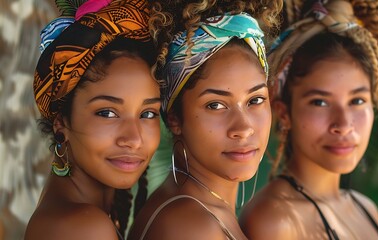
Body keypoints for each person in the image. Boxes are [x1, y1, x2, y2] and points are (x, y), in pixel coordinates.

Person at [239, 0, 378, 239]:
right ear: (284, 112)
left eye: (357, 101)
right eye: (320, 102)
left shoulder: (366, 208)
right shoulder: (276, 221)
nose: (343, 125)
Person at [127, 1, 282, 239]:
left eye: (255, 100)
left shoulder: (199, 210)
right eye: (216, 105)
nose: (244, 128)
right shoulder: (190, 227)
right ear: (174, 118)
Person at [24, 0, 166, 239]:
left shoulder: (79, 216)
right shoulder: (81, 228)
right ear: (61, 122)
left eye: (147, 114)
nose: (133, 139)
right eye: (107, 113)